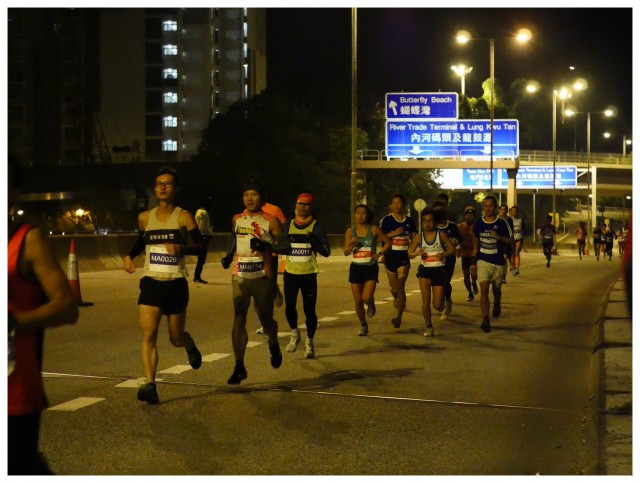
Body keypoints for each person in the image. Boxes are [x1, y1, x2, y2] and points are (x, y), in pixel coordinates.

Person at [8, 155, 79, 474]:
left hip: (14, 392)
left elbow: (66, 307)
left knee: (18, 467)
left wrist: (14, 322)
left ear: (14, 193)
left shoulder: (28, 241)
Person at [123, 167, 204, 404]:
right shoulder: (144, 217)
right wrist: (129, 256)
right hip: (151, 284)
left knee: (175, 338)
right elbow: (141, 241)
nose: (162, 187)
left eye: (167, 184)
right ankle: (150, 385)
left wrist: (181, 249)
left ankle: (189, 346)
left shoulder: (184, 217)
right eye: (159, 184)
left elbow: (201, 247)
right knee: (149, 334)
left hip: (175, 284)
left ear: (175, 189)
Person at [221, 181, 290, 384]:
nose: (249, 198)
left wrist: (266, 246)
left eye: (254, 194)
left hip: (262, 275)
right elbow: (233, 239)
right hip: (240, 273)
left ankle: (273, 342)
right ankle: (239, 366)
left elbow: (285, 246)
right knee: (239, 317)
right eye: (246, 195)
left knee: (266, 320)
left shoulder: (271, 221)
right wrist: (228, 256)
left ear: (262, 198)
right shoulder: (237, 219)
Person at [282, 193, 331, 358]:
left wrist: (314, 242)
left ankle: (309, 342)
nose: (302, 207)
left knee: (309, 310)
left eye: (306, 204)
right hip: (291, 274)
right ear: (295, 205)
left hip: (309, 275)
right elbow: (278, 245)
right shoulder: (287, 226)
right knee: (289, 307)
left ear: (311, 207)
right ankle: (294, 334)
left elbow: (326, 252)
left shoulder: (316, 227)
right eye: (300, 204)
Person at [343, 204, 391, 336]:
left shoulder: (374, 229)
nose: (360, 215)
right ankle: (363, 324)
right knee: (358, 301)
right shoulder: (350, 232)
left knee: (365, 297)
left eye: (363, 213)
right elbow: (346, 252)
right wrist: (351, 245)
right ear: (354, 215)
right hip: (356, 268)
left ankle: (370, 301)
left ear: (368, 215)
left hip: (370, 267)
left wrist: (379, 254)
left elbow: (388, 242)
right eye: (358, 212)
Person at [408, 208, 456, 337]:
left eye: (430, 220)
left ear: (434, 222)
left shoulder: (441, 235)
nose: (427, 223)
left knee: (437, 304)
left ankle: (444, 306)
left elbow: (452, 249)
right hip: (425, 270)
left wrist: (443, 254)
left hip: (439, 270)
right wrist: (417, 253)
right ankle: (429, 327)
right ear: (421, 222)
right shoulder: (418, 238)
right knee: (425, 301)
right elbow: (409, 254)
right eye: (425, 221)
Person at [473, 195, 514, 333]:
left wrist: (498, 237)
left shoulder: (502, 222)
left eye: (491, 206)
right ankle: (485, 319)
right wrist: (475, 250)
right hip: (483, 260)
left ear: (495, 207)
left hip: (498, 261)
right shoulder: (479, 222)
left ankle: (497, 302)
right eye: (485, 206)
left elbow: (511, 240)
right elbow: (475, 237)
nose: (488, 208)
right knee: (484, 290)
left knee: (496, 289)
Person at [379, 194, 417, 328]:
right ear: (390, 205)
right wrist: (393, 234)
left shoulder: (410, 221)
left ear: (403, 205)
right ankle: (396, 297)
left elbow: (415, 237)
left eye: (399, 203)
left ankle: (398, 317)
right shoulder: (386, 220)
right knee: (395, 289)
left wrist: (412, 249)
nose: (396, 205)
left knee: (401, 286)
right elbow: (379, 238)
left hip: (403, 258)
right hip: (390, 257)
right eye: (393, 203)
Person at [432, 200, 461, 321]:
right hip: (434, 259)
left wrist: (455, 242)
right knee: (436, 282)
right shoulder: (432, 227)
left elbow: (459, 238)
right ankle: (440, 301)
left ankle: (447, 301)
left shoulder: (452, 226)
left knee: (446, 281)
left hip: (449, 258)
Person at [457, 205, 479, 301]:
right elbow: (456, 239)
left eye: (471, 215)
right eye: (467, 215)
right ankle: (470, 293)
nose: (469, 216)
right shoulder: (460, 226)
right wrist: (457, 248)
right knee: (466, 275)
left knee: (473, 272)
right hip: (464, 253)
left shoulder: (478, 226)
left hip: (474, 252)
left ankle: (474, 282)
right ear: (464, 216)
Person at [193, 197, 214, 283]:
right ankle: (197, 277)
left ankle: (197, 276)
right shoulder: (203, 213)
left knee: (201, 258)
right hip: (203, 238)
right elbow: (202, 227)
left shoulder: (198, 212)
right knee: (201, 259)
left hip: (200, 237)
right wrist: (209, 235)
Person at [498, 204, 514, 283]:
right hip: (497, 241)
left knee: (504, 258)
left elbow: (511, 231)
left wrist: (511, 241)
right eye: (502, 209)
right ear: (499, 210)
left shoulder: (509, 220)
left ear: (507, 211)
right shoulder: (496, 219)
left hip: (506, 241)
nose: (503, 211)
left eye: (505, 209)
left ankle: (503, 276)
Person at [508, 206, 525, 274]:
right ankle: (513, 266)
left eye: (515, 211)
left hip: (518, 238)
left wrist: (523, 238)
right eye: (513, 211)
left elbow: (523, 229)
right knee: (512, 254)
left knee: (517, 252)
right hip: (511, 239)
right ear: (511, 212)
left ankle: (517, 268)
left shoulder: (520, 220)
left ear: (517, 212)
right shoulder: (509, 220)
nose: (514, 212)